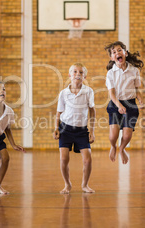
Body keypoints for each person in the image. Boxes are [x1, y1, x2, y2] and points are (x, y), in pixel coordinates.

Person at [53, 63, 96, 194]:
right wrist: (56, 127)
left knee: (88, 159)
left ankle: (85, 185)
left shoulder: (88, 91)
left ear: (85, 76)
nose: (78, 74)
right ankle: (67, 184)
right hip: (65, 129)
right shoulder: (64, 93)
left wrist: (92, 131)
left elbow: (92, 111)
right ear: (70, 74)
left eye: (81, 72)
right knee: (64, 159)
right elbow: (59, 112)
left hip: (81, 130)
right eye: (75, 72)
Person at [105, 41, 145, 164]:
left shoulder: (134, 71)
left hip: (130, 104)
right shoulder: (111, 73)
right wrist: (119, 105)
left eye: (119, 50)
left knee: (127, 135)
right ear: (112, 58)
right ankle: (113, 146)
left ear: (125, 53)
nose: (117, 53)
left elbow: (137, 89)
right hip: (116, 103)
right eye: (114, 52)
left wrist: (141, 100)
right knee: (113, 135)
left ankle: (121, 149)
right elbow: (111, 94)